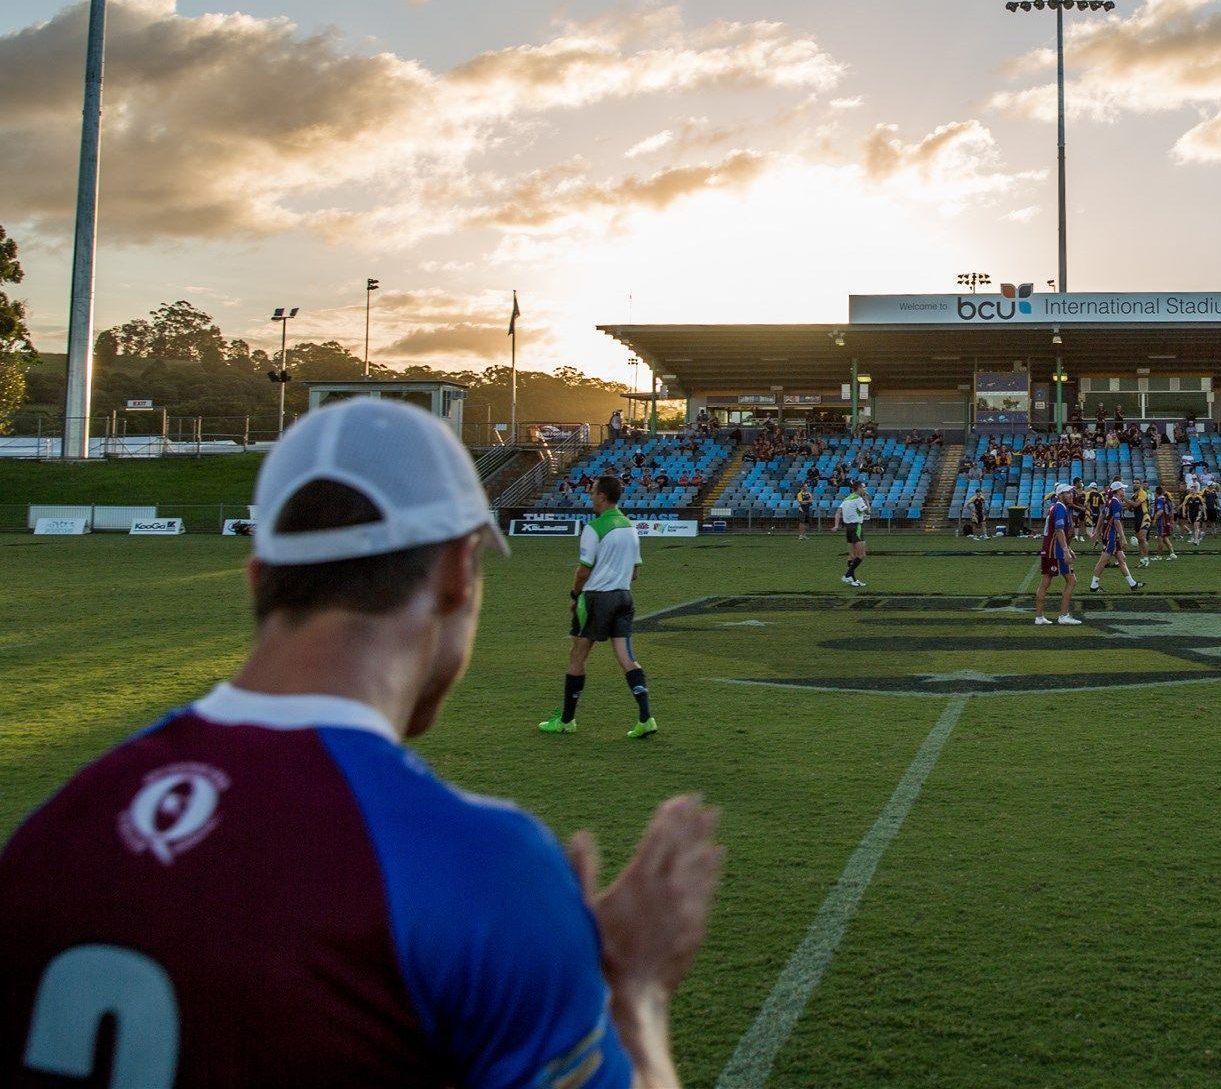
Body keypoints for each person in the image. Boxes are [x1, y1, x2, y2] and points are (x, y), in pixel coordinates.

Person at [0, 398, 723, 1087]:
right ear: (453, 575)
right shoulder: (482, 869)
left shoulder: (50, 833)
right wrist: (633, 992)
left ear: (258, 578)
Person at [540, 474, 657, 739]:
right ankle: (645, 718)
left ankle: (567, 720)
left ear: (602, 496)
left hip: (597, 599)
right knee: (627, 658)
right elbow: (635, 574)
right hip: (624, 597)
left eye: (593, 492)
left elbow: (583, 572)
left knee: (577, 657)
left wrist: (575, 595)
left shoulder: (594, 528)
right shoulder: (629, 526)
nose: (590, 496)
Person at [1034, 484, 1083, 625]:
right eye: (1068, 493)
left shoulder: (1056, 507)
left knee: (1045, 582)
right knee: (1071, 581)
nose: (1071, 495)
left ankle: (1039, 617)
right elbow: (1059, 530)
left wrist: (1068, 548)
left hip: (1049, 549)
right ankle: (1063, 616)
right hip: (1055, 551)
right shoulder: (1060, 508)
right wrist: (1066, 550)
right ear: (1061, 494)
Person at [1089, 480, 1145, 593]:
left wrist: (1096, 531)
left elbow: (1102, 515)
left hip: (1109, 534)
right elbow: (1117, 522)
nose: (1124, 491)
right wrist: (1123, 538)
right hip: (1111, 536)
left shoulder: (1109, 501)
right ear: (1118, 491)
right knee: (1103, 560)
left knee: (1121, 559)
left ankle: (1132, 584)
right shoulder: (1115, 503)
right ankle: (1094, 585)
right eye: (1122, 489)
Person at [834, 479, 871, 588]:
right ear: (859, 488)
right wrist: (866, 500)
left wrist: (836, 525)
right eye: (863, 487)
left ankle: (852, 579)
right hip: (856, 527)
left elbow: (838, 512)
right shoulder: (859, 499)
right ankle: (847, 575)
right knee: (861, 555)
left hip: (848, 528)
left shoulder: (846, 499)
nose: (865, 489)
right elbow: (868, 511)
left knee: (852, 555)